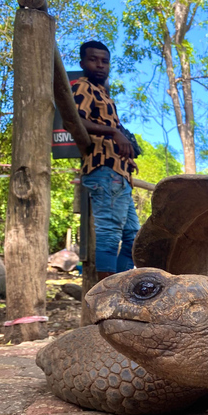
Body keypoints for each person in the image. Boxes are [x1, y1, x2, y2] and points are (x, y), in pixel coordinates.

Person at [72, 41, 139, 282]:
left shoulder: (104, 94)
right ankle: (106, 296)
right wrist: (114, 133)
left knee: (133, 237)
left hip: (119, 174)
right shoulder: (82, 87)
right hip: (103, 171)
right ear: (82, 63)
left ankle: (120, 288)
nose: (100, 65)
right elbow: (76, 122)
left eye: (104, 61)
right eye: (93, 59)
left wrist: (127, 159)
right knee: (110, 236)